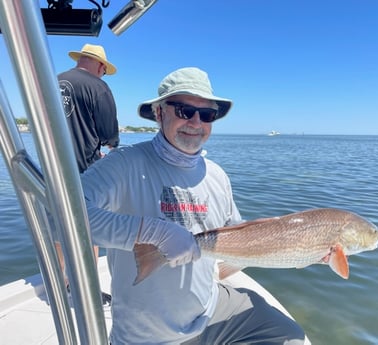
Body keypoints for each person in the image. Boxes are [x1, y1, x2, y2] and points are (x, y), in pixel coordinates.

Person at [81, 67, 308, 344]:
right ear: (159, 112)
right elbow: (61, 216)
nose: (196, 122)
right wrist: (153, 232)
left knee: (290, 336)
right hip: (148, 334)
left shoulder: (216, 174)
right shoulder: (124, 164)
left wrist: (300, 248)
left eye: (207, 114)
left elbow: (234, 234)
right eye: (184, 111)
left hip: (210, 309)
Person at [56, 43, 119, 304]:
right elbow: (109, 137)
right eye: (104, 70)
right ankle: (89, 287)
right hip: (86, 171)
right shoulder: (98, 87)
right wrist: (111, 149)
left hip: (52, 168)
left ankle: (63, 282)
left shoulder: (53, 80)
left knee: (59, 226)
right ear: (100, 66)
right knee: (91, 229)